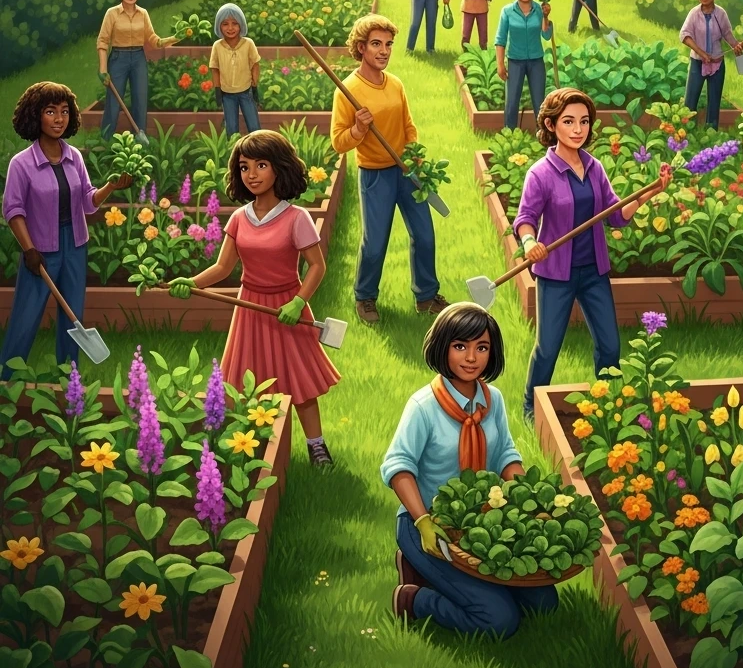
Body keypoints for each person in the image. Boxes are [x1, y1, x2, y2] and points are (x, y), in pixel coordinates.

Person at [381, 302, 559, 635]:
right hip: (428, 522)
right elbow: (397, 466)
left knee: (544, 603)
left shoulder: (493, 400)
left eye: (482, 347)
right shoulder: (424, 406)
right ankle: (414, 599)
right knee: (499, 621)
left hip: (483, 520)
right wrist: (423, 522)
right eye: (460, 346)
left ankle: (439, 577)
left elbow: (506, 454)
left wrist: (531, 502)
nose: (471, 358)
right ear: (442, 346)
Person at [168, 130, 339, 466]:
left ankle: (316, 446)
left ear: (280, 168)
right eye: (245, 167)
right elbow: (222, 267)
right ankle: (249, 446)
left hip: (287, 307)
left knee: (299, 382)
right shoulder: (239, 218)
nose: (253, 174)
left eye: (261, 165)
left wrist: (298, 302)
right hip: (250, 309)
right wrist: (192, 281)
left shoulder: (296, 218)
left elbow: (317, 266)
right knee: (246, 379)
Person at [514, 89, 671, 423]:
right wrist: (530, 244)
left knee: (610, 346)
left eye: (584, 121)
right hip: (557, 274)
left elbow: (615, 215)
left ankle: (608, 401)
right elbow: (525, 219)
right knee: (548, 347)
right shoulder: (540, 174)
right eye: (568, 121)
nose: (578, 129)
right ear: (551, 124)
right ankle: (530, 406)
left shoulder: (594, 167)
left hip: (593, 271)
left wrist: (651, 192)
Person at [1, 82, 131, 376]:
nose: (59, 119)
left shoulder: (75, 157)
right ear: (35, 116)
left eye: (64, 112)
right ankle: (5, 380)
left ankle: (68, 381)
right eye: (50, 112)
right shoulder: (21, 165)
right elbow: (13, 210)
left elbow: (87, 202)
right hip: (40, 251)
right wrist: (29, 250)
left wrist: (109, 186)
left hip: (74, 245)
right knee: (25, 316)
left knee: (73, 318)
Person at [331, 14, 447, 324]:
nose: (384, 51)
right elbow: (338, 142)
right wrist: (357, 129)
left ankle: (426, 296)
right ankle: (365, 297)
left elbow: (409, 126)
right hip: (375, 176)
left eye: (388, 45)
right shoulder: (348, 91)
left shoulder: (395, 84)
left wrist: (415, 156)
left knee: (424, 234)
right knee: (376, 240)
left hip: (406, 171)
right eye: (376, 44)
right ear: (361, 48)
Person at [96, 0, 176, 140]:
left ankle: (139, 138)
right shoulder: (112, 14)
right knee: (114, 102)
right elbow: (102, 42)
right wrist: (103, 69)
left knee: (140, 98)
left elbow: (154, 40)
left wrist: (173, 39)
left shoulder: (143, 14)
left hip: (139, 58)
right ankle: (105, 139)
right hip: (118, 58)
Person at [679, 0, 743, 130]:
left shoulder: (721, 14)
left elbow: (727, 35)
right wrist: (701, 53)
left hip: (717, 64)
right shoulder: (694, 14)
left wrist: (736, 46)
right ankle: (685, 134)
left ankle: (711, 134)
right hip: (697, 63)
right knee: (690, 102)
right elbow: (684, 36)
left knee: (714, 102)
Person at [495, 0, 553, 130]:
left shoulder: (540, 10)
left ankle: (542, 134)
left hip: (536, 61)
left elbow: (546, 35)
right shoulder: (507, 11)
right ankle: (509, 132)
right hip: (515, 61)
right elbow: (500, 39)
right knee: (512, 100)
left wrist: (546, 17)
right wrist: (500, 64)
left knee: (539, 101)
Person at [210, 3, 261, 137]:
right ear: (219, 26)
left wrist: (255, 86)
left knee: (254, 126)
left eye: (235, 23)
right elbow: (215, 69)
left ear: (241, 25)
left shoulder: (248, 44)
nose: (230, 28)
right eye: (225, 24)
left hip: (246, 92)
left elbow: (255, 64)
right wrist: (217, 90)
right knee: (231, 128)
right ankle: (234, 152)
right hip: (227, 95)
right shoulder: (217, 46)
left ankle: (258, 150)